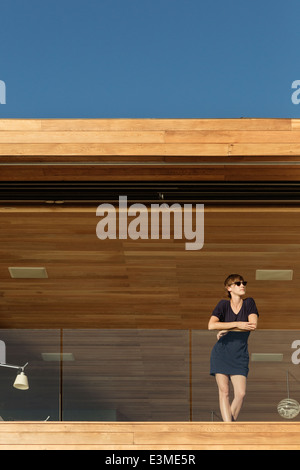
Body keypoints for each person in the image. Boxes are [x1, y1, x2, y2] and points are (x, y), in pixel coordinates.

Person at [208, 274, 259, 422]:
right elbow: (211, 325)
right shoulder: (223, 305)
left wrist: (227, 328)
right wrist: (237, 324)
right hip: (221, 353)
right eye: (238, 283)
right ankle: (228, 430)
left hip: (240, 354)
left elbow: (252, 326)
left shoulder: (249, 303)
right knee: (224, 391)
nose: (242, 285)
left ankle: (227, 427)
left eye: (244, 283)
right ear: (229, 288)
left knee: (241, 393)